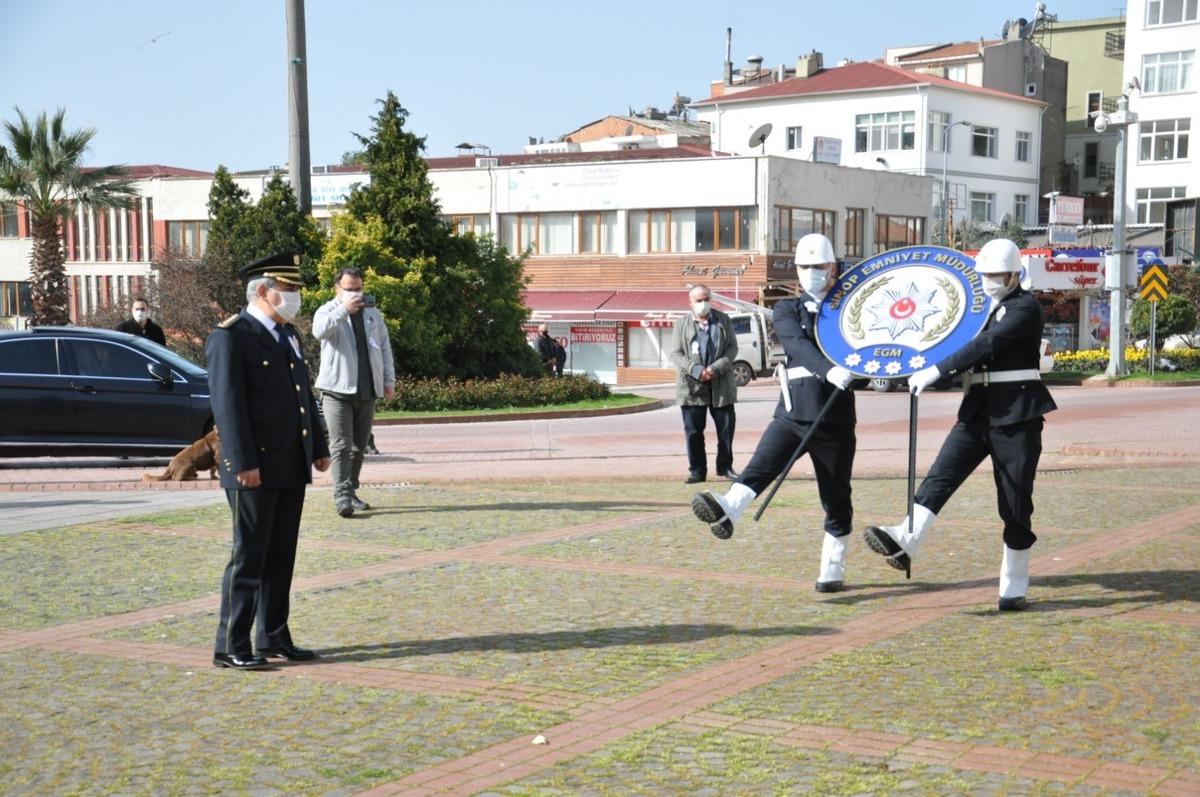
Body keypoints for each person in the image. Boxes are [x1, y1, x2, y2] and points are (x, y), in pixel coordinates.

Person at [863, 238, 1057, 611]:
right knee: (940, 476)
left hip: (1017, 414)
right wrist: (914, 359)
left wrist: (937, 370)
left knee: (1015, 500)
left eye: (996, 275)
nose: (989, 281)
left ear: (1014, 275)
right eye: (984, 275)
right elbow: (944, 336)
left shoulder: (1025, 307)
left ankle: (1014, 585)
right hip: (977, 411)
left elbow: (987, 344)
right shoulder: (976, 310)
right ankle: (906, 540)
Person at [690, 234, 857, 592]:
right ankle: (728, 509)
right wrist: (828, 370)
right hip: (794, 411)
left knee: (836, 496)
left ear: (832, 267)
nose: (811, 272)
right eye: (805, 266)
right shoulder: (787, 309)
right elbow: (796, 344)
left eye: (818, 266)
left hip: (835, 417)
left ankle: (832, 568)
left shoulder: (850, 309)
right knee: (761, 465)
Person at [205, 252, 331, 670]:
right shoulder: (231, 336)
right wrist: (242, 461)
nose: (294, 297)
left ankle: (274, 636)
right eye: (288, 289)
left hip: (290, 462)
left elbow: (302, 395)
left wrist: (318, 446)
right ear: (263, 291)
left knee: (281, 555)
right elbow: (228, 407)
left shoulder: (287, 334)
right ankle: (232, 645)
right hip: (253, 467)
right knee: (249, 557)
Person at [312, 267, 396, 518]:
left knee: (359, 446)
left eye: (358, 288)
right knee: (340, 444)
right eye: (350, 289)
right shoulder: (327, 310)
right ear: (337, 289)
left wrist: (388, 380)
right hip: (336, 390)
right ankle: (342, 496)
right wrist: (344, 310)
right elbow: (319, 331)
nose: (356, 294)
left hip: (366, 389)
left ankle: (351, 491)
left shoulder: (372, 314)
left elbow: (384, 348)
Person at [667, 284, 739, 484]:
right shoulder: (681, 324)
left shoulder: (723, 320)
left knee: (726, 430)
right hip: (692, 386)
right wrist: (696, 370)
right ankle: (697, 471)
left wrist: (716, 367)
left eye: (707, 299)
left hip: (721, 384)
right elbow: (675, 353)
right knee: (694, 432)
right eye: (699, 300)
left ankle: (725, 467)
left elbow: (732, 348)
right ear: (690, 302)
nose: (703, 303)